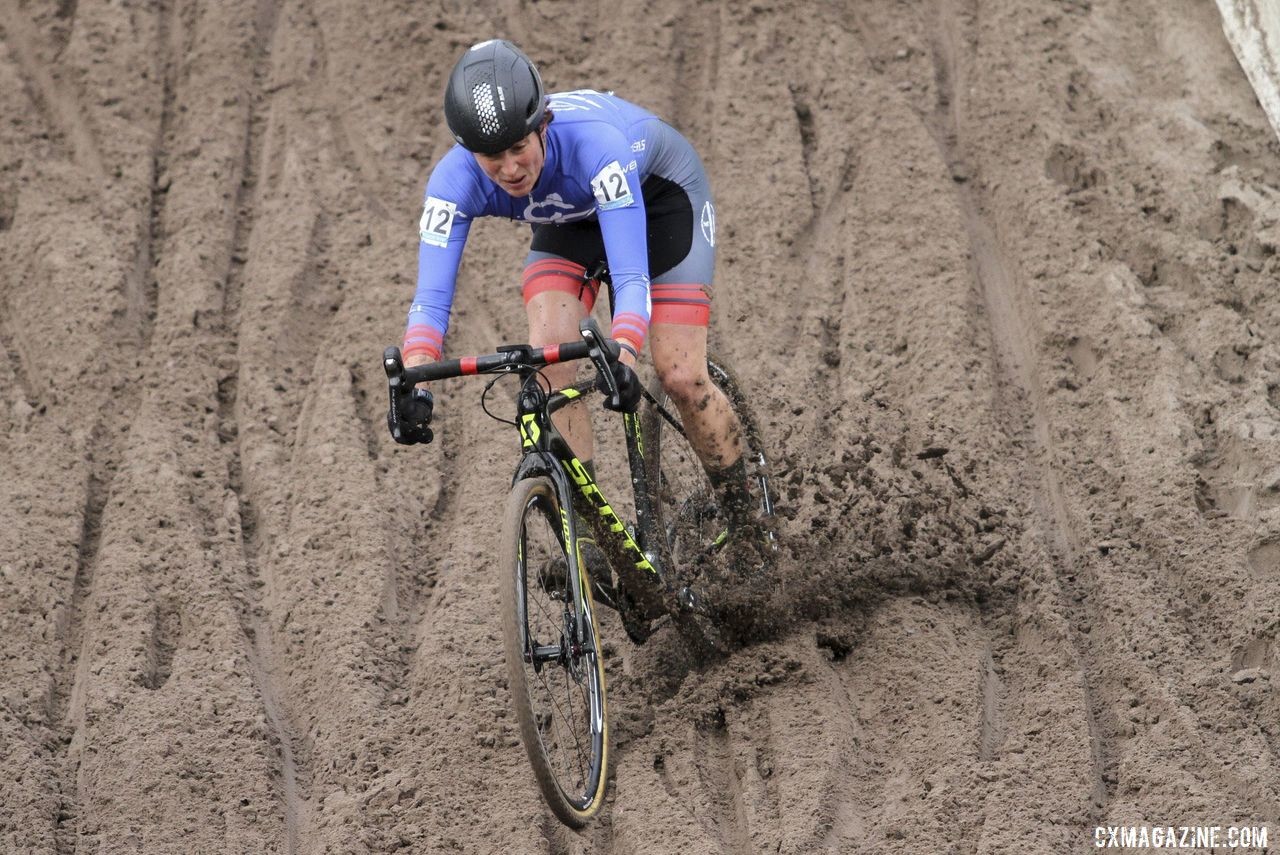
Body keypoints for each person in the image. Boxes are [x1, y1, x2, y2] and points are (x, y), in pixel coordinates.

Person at [388, 38, 757, 534]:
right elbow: (431, 298)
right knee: (548, 357)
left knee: (679, 374)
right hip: (570, 217)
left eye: (519, 148)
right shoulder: (452, 182)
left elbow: (630, 276)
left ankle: (752, 529)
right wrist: (417, 378)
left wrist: (625, 351)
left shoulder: (595, 146)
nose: (511, 169)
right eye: (491, 158)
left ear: (543, 126)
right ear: (467, 151)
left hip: (659, 201)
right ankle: (591, 541)